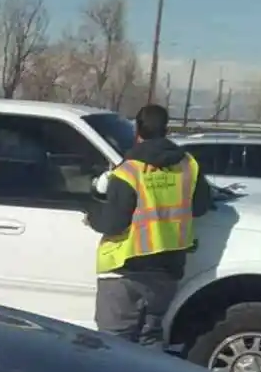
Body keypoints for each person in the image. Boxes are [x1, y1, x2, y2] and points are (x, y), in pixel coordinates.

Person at [89, 103, 211, 345]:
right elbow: (200, 206)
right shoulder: (188, 165)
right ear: (166, 130)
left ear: (137, 131)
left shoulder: (128, 171)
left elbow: (113, 223)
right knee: (150, 339)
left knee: (113, 343)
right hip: (167, 270)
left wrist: (92, 214)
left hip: (126, 269)